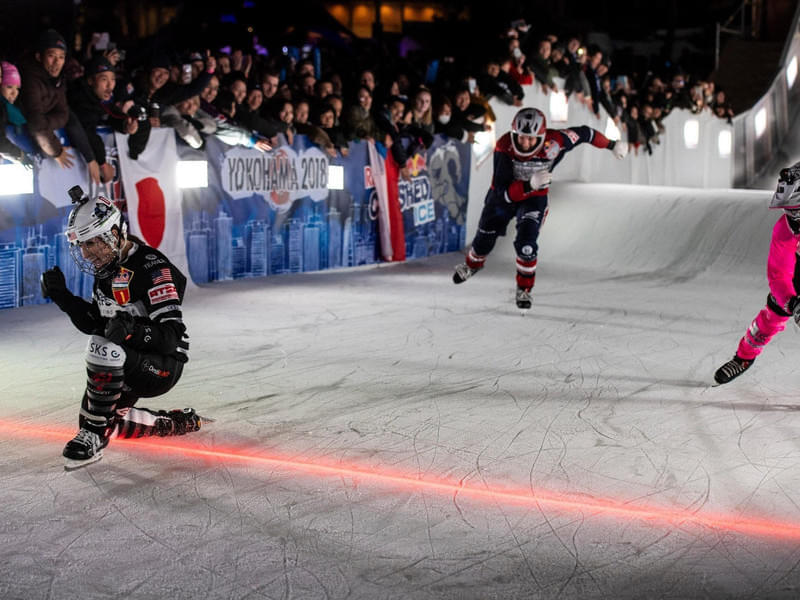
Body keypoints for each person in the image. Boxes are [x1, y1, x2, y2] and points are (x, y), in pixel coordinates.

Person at [40, 186, 206, 469]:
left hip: (161, 365)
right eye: (82, 245)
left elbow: (171, 338)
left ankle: (95, 435)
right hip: (127, 357)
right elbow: (96, 323)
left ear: (115, 233)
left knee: (100, 362)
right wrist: (63, 297)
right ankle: (171, 422)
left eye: (93, 243)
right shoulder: (108, 267)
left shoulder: (153, 268)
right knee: (102, 417)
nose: (87, 252)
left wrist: (132, 329)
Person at [452, 107, 628, 309]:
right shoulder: (504, 146)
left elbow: (585, 133)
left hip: (534, 199)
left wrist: (611, 145)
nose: (525, 143)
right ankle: (473, 265)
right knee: (484, 238)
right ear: (513, 134)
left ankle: (524, 289)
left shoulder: (557, 141)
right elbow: (502, 192)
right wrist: (528, 184)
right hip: (503, 196)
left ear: (542, 137)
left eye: (531, 139)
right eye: (520, 138)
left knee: (527, 243)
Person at [714, 163, 800, 384]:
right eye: (789, 210)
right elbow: (778, 275)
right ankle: (743, 358)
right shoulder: (785, 228)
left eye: (797, 210)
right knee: (774, 312)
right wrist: (791, 303)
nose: (792, 217)